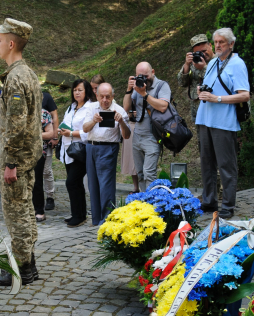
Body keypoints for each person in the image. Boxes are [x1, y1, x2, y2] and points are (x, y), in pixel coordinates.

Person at [0, 18, 42, 286]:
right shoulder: (28, 74)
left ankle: (21, 269)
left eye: (0, 40)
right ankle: (29, 265)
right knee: (26, 211)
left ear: (11, 44)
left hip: (17, 161)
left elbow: (17, 124)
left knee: (16, 215)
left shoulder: (16, 78)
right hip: (27, 159)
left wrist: (9, 162)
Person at [194, 28, 250, 219]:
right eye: (215, 42)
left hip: (224, 122)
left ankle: (227, 204)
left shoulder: (237, 64)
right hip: (205, 119)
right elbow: (210, 87)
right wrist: (201, 90)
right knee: (207, 164)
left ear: (231, 44)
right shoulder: (212, 63)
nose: (217, 45)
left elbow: (244, 95)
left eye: (222, 42)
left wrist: (216, 98)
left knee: (226, 165)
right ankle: (209, 201)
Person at [81, 82, 131, 226]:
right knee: (93, 184)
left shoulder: (119, 110)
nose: (104, 100)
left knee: (106, 185)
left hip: (108, 148)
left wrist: (121, 121)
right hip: (91, 147)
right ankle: (96, 219)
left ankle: (108, 219)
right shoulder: (91, 107)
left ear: (113, 96)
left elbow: (127, 135)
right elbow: (85, 129)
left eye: (107, 97)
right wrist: (94, 121)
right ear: (97, 96)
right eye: (101, 97)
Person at [126, 61, 172, 191]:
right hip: (137, 135)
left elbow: (163, 106)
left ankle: (152, 204)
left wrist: (144, 94)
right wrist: (129, 90)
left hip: (153, 136)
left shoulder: (162, 85)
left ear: (153, 72)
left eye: (145, 76)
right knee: (139, 173)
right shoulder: (137, 87)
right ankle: (143, 202)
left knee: (149, 173)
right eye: (139, 76)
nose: (143, 79)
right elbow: (125, 107)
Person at [58, 79, 97, 227]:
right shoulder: (72, 107)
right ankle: (79, 214)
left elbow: (89, 132)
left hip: (82, 150)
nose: (77, 92)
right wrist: (62, 131)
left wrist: (72, 133)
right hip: (68, 150)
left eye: (80, 90)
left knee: (72, 182)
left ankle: (79, 215)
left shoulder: (90, 108)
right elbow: (65, 123)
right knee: (76, 184)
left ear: (86, 91)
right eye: (74, 90)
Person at [31, 103, 57, 221]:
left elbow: (50, 133)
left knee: (36, 181)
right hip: (19, 153)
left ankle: (39, 210)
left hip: (38, 151)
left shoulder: (44, 113)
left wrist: (32, 135)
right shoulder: (18, 111)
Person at [40, 88, 58, 210]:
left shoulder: (46, 97)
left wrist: (55, 136)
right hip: (30, 146)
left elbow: (55, 117)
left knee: (46, 170)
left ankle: (50, 196)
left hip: (46, 142)